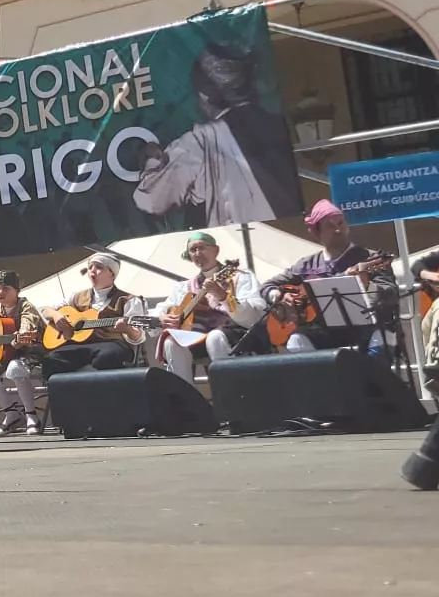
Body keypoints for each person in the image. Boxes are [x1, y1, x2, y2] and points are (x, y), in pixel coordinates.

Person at [133, 41, 304, 227]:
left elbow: (151, 201)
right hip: (291, 231)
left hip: (243, 241)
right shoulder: (280, 124)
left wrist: (151, 162)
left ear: (204, 95)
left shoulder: (201, 141)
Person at [260, 200, 397, 355]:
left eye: (340, 223)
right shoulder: (306, 265)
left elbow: (391, 293)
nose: (337, 229)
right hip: (323, 333)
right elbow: (266, 286)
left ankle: (370, 378)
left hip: (367, 328)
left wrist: (368, 286)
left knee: (383, 335)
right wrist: (280, 295)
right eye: (330, 226)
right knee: (297, 339)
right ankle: (320, 379)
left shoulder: (370, 258)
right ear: (316, 233)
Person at [155, 231, 263, 386]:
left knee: (214, 337)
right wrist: (162, 317)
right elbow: (161, 309)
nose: (198, 253)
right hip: (198, 337)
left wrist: (223, 296)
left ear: (216, 250)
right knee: (172, 342)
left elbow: (254, 315)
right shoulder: (184, 287)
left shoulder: (240, 277)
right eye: (193, 250)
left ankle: (229, 393)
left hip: (234, 333)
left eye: (202, 248)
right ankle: (184, 400)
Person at [39, 254, 149, 376]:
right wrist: (56, 316)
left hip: (112, 344)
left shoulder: (128, 300)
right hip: (81, 346)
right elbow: (44, 310)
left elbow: (138, 337)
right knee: (51, 359)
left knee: (106, 357)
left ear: (112, 273)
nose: (92, 270)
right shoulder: (76, 296)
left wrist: (128, 329)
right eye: (90, 267)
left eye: (99, 267)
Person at [0, 270, 45, 435]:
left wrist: (21, 335)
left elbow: (28, 324)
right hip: (5, 355)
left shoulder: (25, 306)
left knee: (14, 368)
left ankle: (31, 415)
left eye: (5, 288)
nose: (0, 292)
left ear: (16, 290)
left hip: (30, 353)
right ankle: (10, 413)